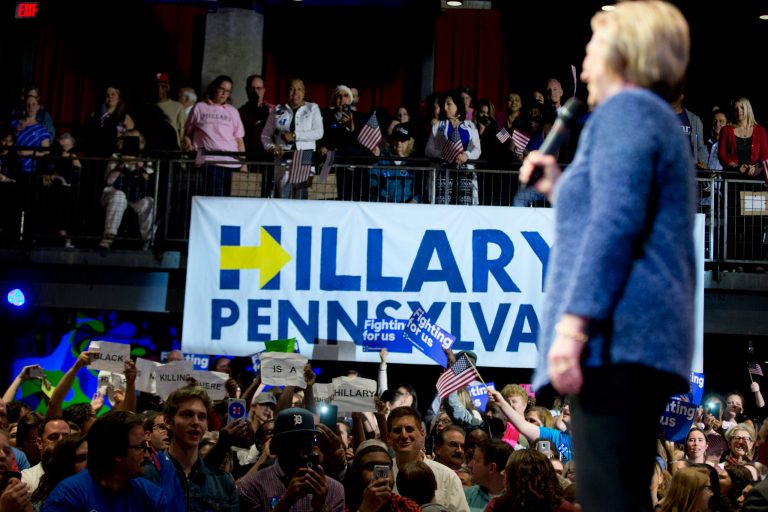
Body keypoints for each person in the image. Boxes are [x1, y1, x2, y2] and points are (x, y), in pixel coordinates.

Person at [519, 3, 696, 511]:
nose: (586, 63)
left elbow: (615, 226)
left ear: (624, 54)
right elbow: (614, 205)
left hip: (617, 342)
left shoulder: (628, 110)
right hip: (636, 344)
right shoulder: (647, 118)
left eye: (593, 49)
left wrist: (574, 328)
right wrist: (558, 185)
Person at [41, 410, 166, 512]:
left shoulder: (149, 494)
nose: (146, 455)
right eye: (141, 447)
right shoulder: (68, 496)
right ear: (117, 452)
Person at [140, 385, 238, 512]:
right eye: (187, 415)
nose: (196, 422)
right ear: (168, 421)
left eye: (202, 417)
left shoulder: (224, 482)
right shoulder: (146, 476)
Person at [237, 407, 345, 512]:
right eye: (292, 442)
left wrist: (321, 507)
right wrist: (285, 502)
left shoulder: (333, 489)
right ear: (276, 445)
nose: (299, 449)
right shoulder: (252, 487)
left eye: (305, 441)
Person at [387, 406, 469, 512]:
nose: (404, 435)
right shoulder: (383, 476)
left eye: (409, 429)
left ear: (422, 434)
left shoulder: (447, 477)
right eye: (397, 430)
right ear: (388, 437)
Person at [183, 74, 247, 197]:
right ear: (214, 88)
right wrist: (189, 144)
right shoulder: (200, 107)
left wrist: (244, 164)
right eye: (221, 89)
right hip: (209, 161)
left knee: (229, 201)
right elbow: (187, 132)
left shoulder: (233, 111)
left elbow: (239, 140)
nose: (224, 93)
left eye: (228, 91)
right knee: (214, 199)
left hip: (232, 162)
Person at [261, 78, 323, 199]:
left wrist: (295, 135)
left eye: (299, 89)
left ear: (304, 92)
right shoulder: (278, 110)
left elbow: (319, 132)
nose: (295, 93)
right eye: (292, 89)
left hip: (305, 159)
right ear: (286, 92)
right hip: (283, 161)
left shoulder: (312, 108)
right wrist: (272, 148)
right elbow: (265, 135)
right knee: (284, 200)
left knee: (301, 201)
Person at [484, 449, 574, 512]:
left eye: (508, 470)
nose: (502, 473)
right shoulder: (496, 506)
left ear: (521, 478)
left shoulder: (497, 507)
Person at [343, 439, 421, 512]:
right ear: (357, 473)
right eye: (371, 467)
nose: (380, 476)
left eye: (386, 468)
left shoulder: (405, 506)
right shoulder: (341, 505)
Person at [30, 433, 88, 509]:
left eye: (94, 456)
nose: (90, 463)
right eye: (81, 459)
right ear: (65, 465)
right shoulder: (55, 501)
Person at [464, 440, 512, 512]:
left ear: (491, 468)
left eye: (476, 460)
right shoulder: (465, 496)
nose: (469, 465)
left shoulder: (518, 502)